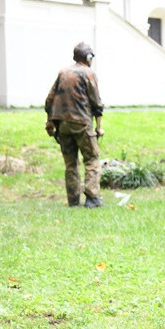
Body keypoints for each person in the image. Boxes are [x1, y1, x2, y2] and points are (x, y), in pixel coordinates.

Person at [45, 42, 105, 207]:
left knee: (70, 164)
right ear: (88, 57)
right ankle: (93, 198)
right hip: (82, 124)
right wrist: (99, 127)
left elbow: (50, 99)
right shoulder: (89, 73)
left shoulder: (63, 73)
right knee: (92, 159)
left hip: (62, 125)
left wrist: (50, 121)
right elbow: (97, 103)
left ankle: (73, 200)